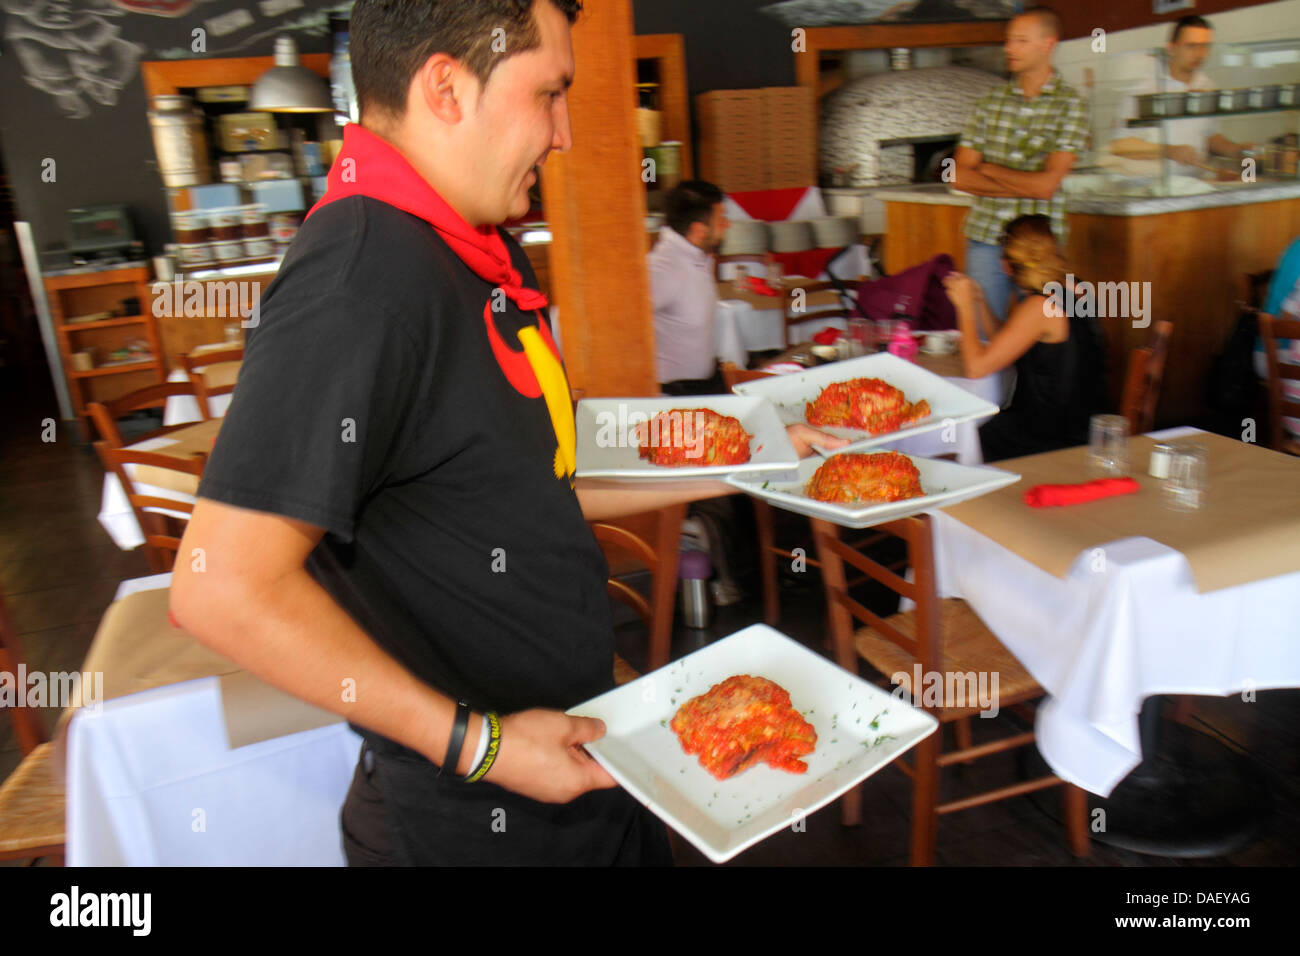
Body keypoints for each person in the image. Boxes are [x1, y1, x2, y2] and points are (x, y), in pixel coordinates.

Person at [170, 0, 838, 866]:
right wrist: (480, 745)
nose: (562, 133)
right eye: (548, 94)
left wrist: (759, 462)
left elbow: (542, 474)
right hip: (471, 816)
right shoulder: (361, 280)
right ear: (445, 87)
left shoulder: (478, 244)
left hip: (578, 747)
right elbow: (218, 587)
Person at [953, 6, 1088, 326]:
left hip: (1040, 243)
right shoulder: (989, 102)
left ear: (1048, 44)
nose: (1008, 48)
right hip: (987, 238)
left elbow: (1046, 188)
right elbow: (958, 176)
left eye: (1020, 41)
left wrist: (989, 168)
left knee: (1042, 343)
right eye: (1008, 40)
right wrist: (1027, 181)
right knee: (982, 335)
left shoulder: (1071, 104)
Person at [942, 215, 1106, 463]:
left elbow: (976, 368)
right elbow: (1009, 344)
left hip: (1049, 438)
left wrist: (964, 308)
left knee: (958, 438)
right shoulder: (1076, 289)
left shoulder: (1040, 306)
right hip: (1082, 425)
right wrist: (978, 301)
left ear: (1006, 265)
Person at [1109, 15, 1256, 176]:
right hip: (1148, 187)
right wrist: (1170, 151)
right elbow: (1120, 145)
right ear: (1171, 48)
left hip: (1193, 185)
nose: (1200, 54)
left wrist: (1236, 150)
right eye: (1191, 46)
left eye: (1205, 46)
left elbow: (1208, 136)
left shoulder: (1207, 86)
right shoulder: (1143, 90)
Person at [648, 180, 730, 395]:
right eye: (721, 219)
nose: (727, 224)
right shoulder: (663, 268)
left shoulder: (696, 257)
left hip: (704, 387)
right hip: (675, 398)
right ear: (699, 231)